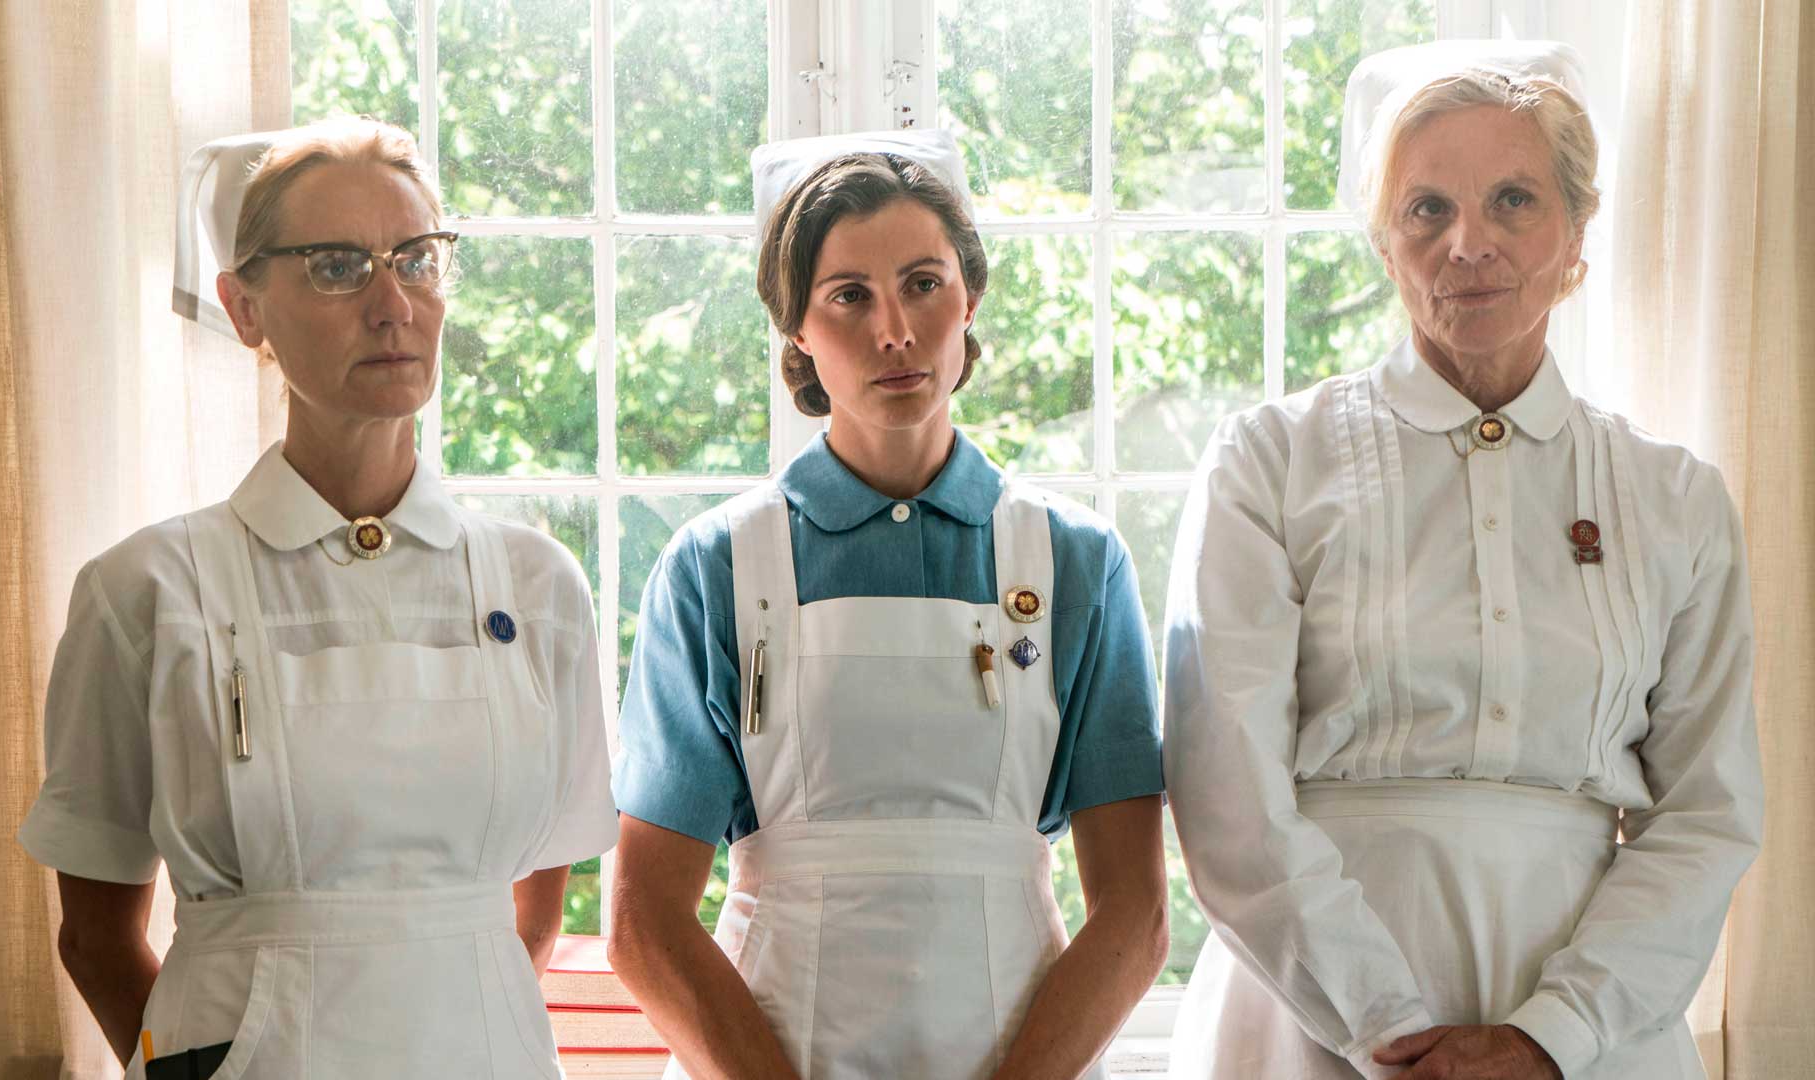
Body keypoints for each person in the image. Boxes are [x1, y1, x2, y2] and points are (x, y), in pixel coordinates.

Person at [1163, 40, 1763, 1080]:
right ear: (1383, 244)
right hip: (1309, 1020)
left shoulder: (1676, 500)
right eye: (1427, 209)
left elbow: (1708, 814)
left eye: (1514, 200)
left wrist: (1551, 1037)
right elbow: (1225, 791)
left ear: (1578, 233)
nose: (1467, 244)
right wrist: (1388, 1031)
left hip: (1594, 1036)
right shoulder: (1268, 461)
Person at [18, 117, 617, 1079]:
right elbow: (93, 936)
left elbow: (532, 912)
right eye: (338, 267)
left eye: (416, 260)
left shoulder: (538, 588)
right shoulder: (145, 594)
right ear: (244, 308)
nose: (393, 305)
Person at [606, 130, 1170, 1080]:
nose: (895, 331)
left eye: (923, 283)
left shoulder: (1075, 562)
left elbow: (1137, 915)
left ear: (970, 298)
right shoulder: (716, 567)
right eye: (848, 297)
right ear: (795, 330)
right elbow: (645, 923)